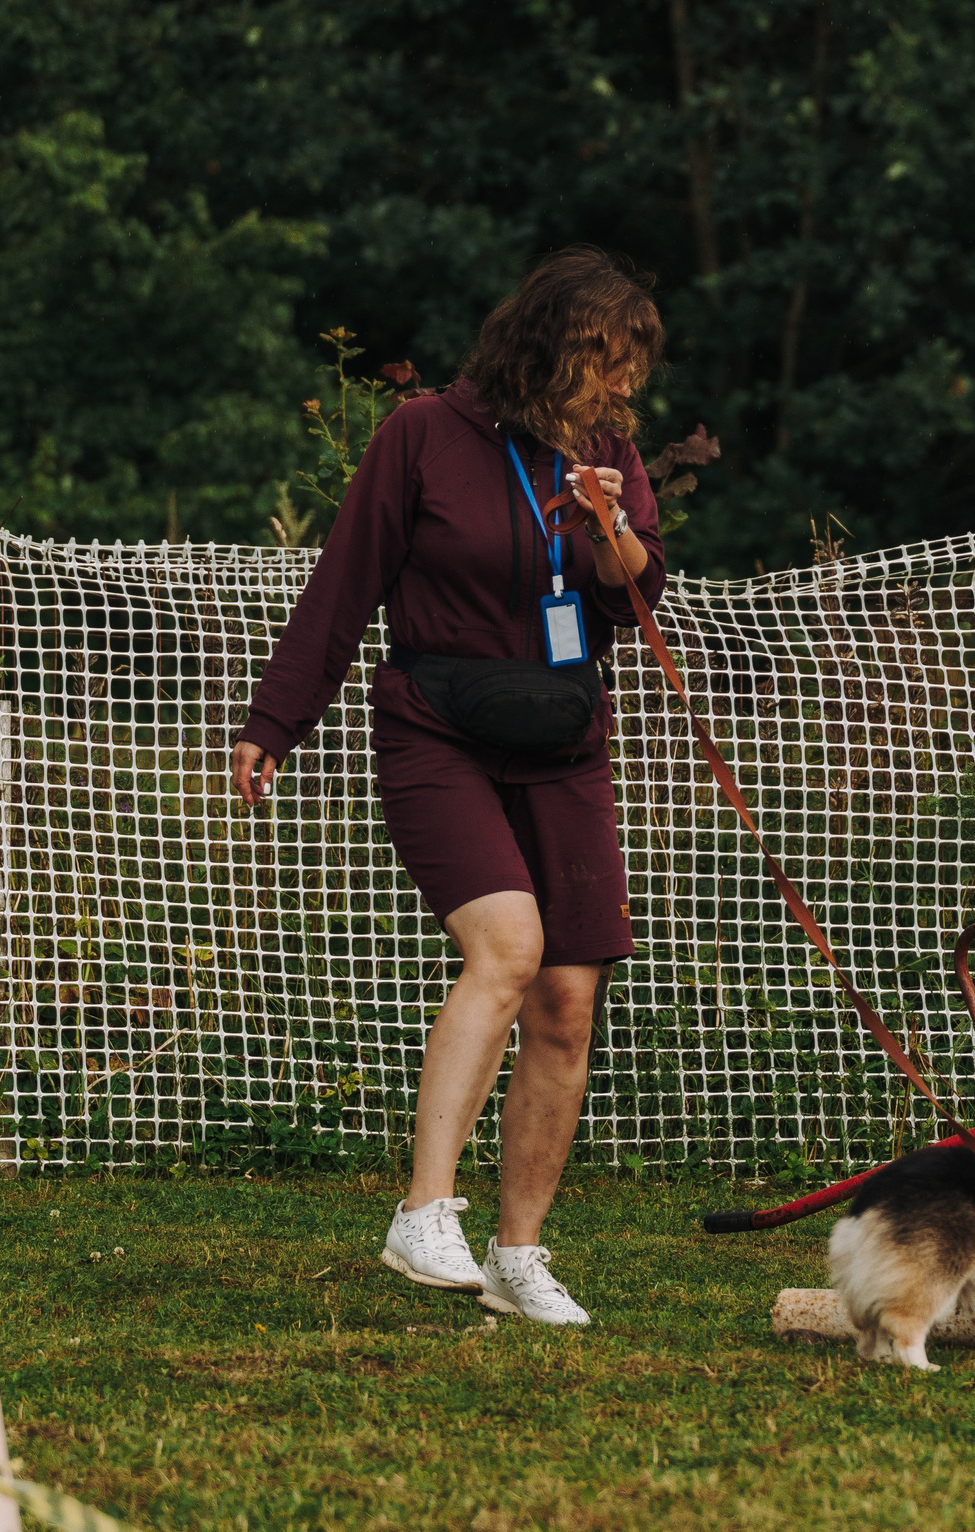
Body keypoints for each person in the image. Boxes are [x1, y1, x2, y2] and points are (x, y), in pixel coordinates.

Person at [229, 248, 665, 1326]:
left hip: (563, 735)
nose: (624, 390)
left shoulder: (606, 452)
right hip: (437, 729)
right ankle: (425, 1210)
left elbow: (632, 596)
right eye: (608, 363)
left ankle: (520, 1255)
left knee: (567, 998)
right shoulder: (422, 434)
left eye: (633, 372)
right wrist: (274, 722)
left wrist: (609, 524)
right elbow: (344, 585)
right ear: (549, 344)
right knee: (508, 948)